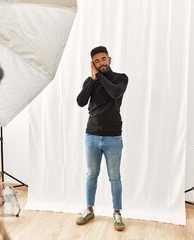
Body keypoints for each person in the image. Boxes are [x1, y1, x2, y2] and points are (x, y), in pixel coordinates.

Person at [76, 46, 128, 231]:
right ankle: (89, 209)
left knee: (115, 177)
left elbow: (115, 93)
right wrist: (92, 79)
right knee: (91, 175)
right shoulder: (91, 81)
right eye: (96, 61)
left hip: (113, 137)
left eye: (103, 59)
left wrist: (99, 77)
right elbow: (81, 101)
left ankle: (117, 213)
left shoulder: (120, 78)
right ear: (93, 64)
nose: (101, 63)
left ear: (110, 59)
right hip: (91, 136)